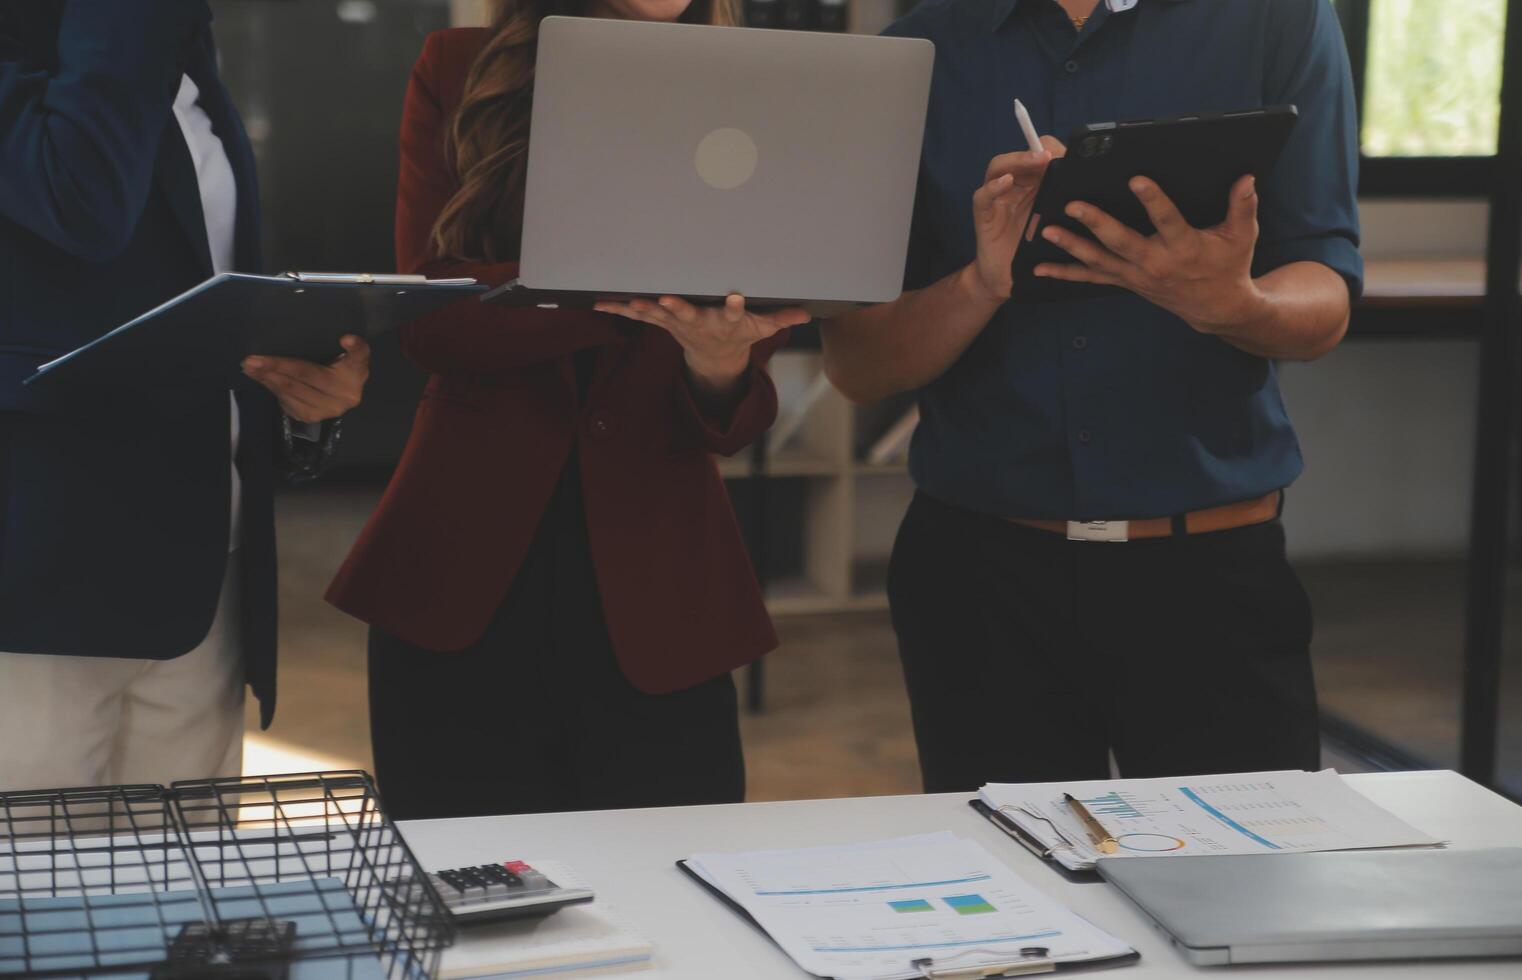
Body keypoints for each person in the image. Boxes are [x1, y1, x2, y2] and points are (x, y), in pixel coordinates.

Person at [821, 0, 1362, 791]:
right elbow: (858, 367)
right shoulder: (916, 50)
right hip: (978, 579)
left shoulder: (1276, 19)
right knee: (1014, 904)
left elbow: (1325, 291)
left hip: (1207, 579)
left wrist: (1233, 305)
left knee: (1242, 896)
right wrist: (980, 283)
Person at [325, 0, 807, 820]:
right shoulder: (459, 67)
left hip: (664, 588)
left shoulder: (758, 93)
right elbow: (434, 320)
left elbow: (737, 381)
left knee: (674, 900)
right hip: (457, 577)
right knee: (468, 901)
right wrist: (633, 283)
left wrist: (718, 362)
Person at [0, 0, 370, 791]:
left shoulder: (179, 48)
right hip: (39, 591)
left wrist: (299, 394)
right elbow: (82, 202)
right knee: (35, 906)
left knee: (185, 905)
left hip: (204, 574)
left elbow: (192, 295)